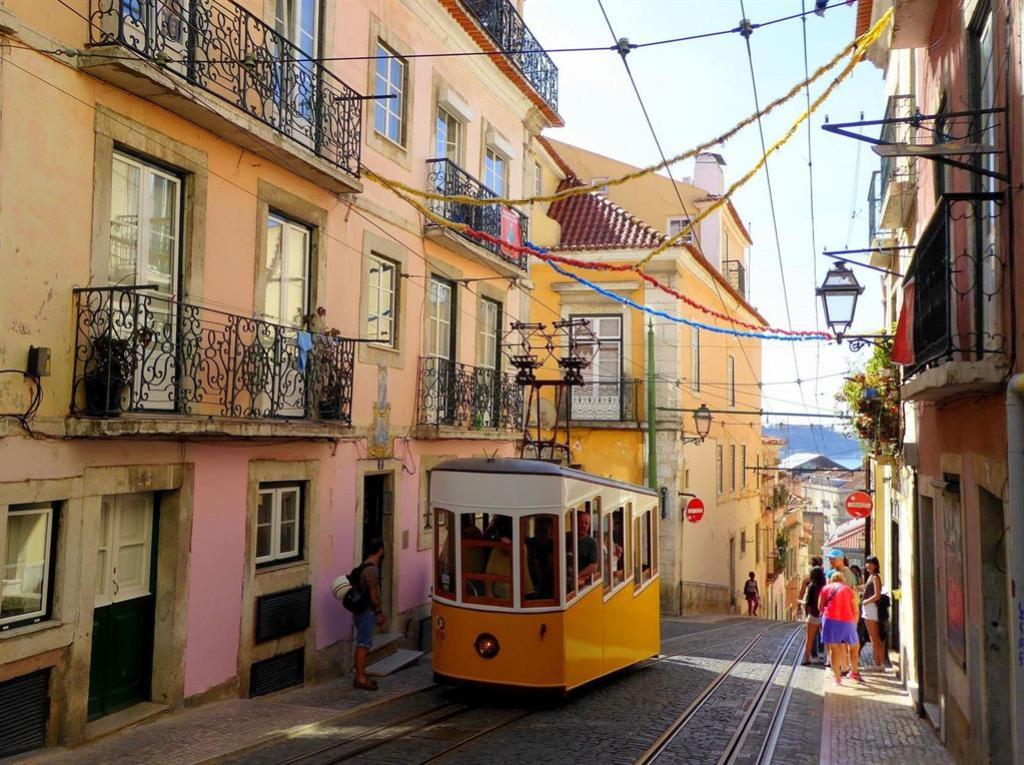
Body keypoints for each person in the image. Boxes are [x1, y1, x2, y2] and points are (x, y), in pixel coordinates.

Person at [353, 539, 386, 691]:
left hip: (361, 611)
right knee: (363, 644)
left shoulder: (364, 565)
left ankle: (361, 676)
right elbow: (374, 595)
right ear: (380, 550)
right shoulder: (371, 570)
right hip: (367, 612)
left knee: (363, 643)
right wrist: (379, 612)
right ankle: (360, 678)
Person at [819, 570, 862, 685]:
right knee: (854, 647)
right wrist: (855, 622)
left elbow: (820, 607)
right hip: (847, 620)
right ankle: (854, 672)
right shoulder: (848, 589)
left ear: (831, 580)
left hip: (830, 620)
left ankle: (837, 678)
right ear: (843, 579)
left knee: (834, 649)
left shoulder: (825, 589)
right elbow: (855, 609)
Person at [860, 556, 887, 670]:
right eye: (867, 563)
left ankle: (878, 664)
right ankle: (880, 663)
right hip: (869, 610)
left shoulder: (875, 577)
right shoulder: (871, 577)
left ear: (875, 565)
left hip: (871, 610)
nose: (868, 565)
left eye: (870, 563)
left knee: (874, 638)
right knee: (876, 638)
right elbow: (867, 589)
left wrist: (865, 601)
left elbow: (877, 595)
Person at [803, 565, 827, 665]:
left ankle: (807, 659)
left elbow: (808, 603)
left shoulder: (811, 586)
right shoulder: (825, 587)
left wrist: (806, 613)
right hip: (824, 615)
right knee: (827, 640)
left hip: (813, 615)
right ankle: (829, 661)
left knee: (809, 639)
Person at [576, 511, 599, 588]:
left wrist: (576, 577)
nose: (583, 525)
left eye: (586, 523)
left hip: (581, 585)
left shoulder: (591, 542)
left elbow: (593, 567)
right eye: (580, 522)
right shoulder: (565, 537)